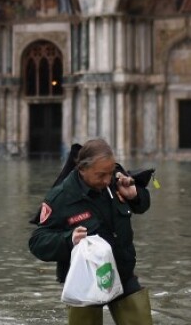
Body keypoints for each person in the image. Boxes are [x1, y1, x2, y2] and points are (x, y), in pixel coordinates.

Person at [28, 139, 153, 324]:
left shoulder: (115, 180)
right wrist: (68, 240)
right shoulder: (61, 197)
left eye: (110, 173)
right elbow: (37, 242)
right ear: (82, 169)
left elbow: (142, 205)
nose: (107, 180)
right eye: (101, 175)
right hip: (83, 282)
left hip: (122, 271)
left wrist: (135, 196)